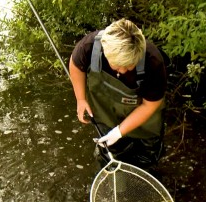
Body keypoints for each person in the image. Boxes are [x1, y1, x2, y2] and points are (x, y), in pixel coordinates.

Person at [69, 19, 167, 170]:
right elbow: (76, 65)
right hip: (106, 112)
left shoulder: (153, 61)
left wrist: (120, 131)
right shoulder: (89, 46)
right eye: (118, 66)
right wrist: (81, 99)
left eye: (128, 66)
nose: (122, 71)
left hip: (144, 120)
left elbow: (149, 105)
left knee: (147, 158)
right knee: (109, 155)